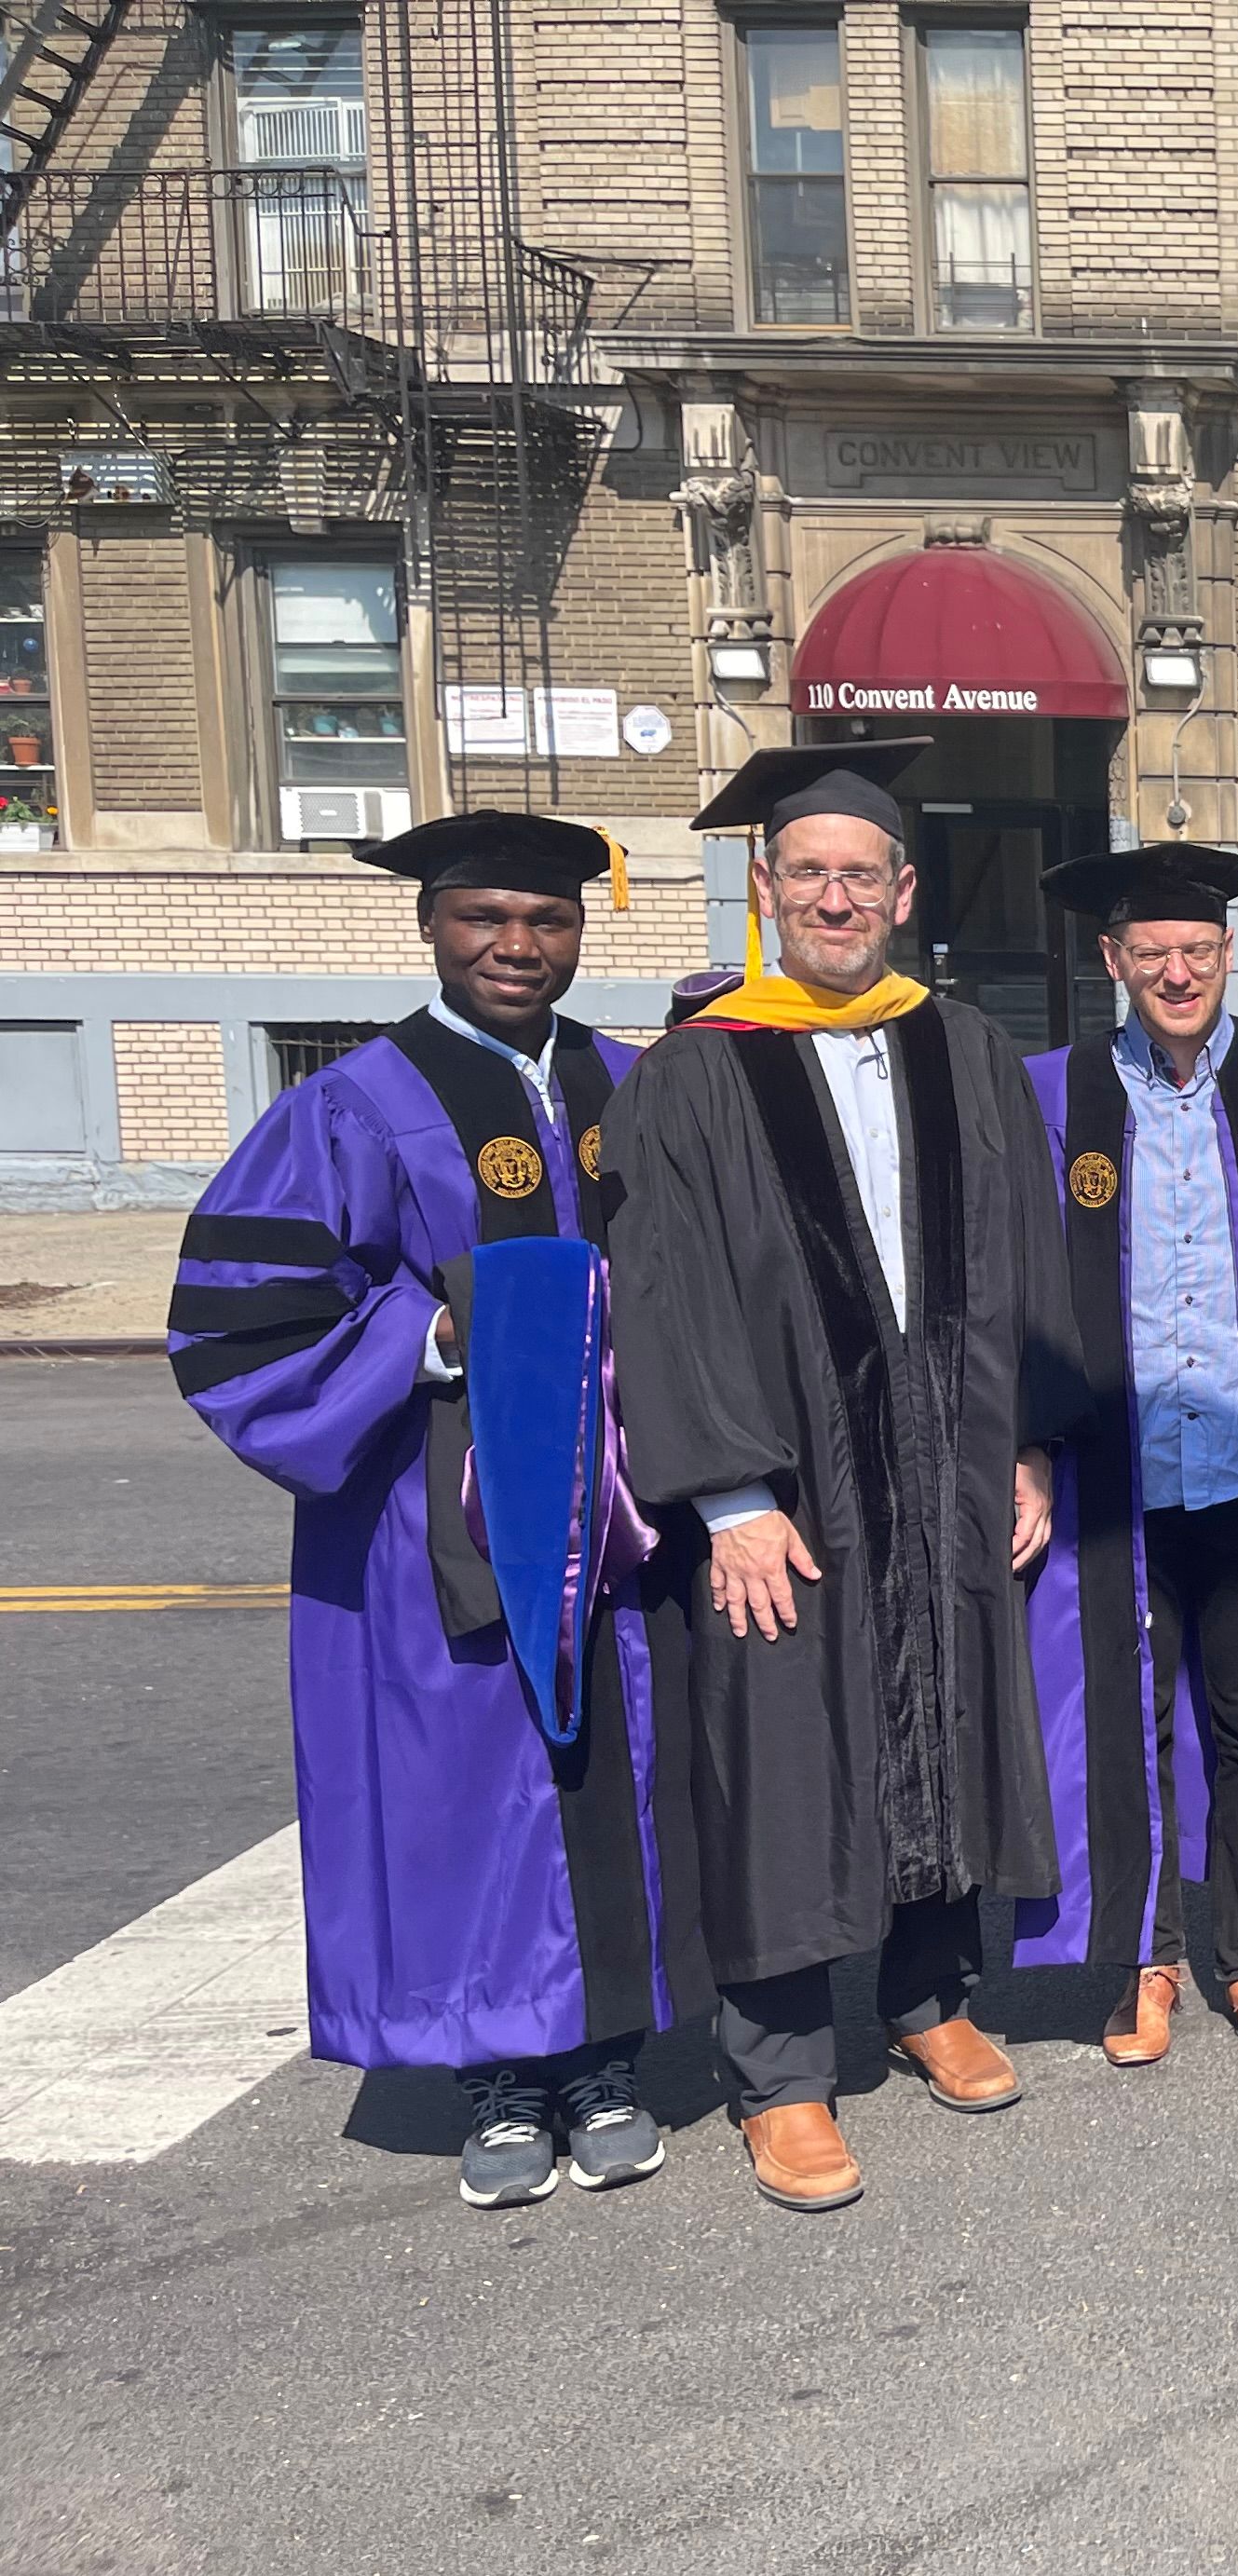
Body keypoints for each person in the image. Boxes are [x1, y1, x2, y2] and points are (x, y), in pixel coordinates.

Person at [170, 811, 706, 2209]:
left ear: (583, 933)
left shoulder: (631, 1085)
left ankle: (605, 2060)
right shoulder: (351, 1104)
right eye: (485, 918)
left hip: (621, 1516)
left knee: (612, 1774)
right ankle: (496, 2081)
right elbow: (244, 1326)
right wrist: (437, 1335)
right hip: (429, 1521)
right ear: (430, 927)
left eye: (546, 921)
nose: (517, 947)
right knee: (462, 1785)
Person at [602, 740, 1084, 2214]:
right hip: (786, 1482)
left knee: (945, 1708)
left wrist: (1035, 1441)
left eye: (859, 875)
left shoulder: (964, 1048)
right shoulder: (691, 1073)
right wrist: (729, 1499)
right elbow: (661, 1288)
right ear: (764, 888)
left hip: (946, 1457)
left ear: (903, 891)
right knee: (784, 1757)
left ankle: (930, 1997)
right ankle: (782, 2077)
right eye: (807, 872)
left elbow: (1028, 1259)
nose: (833, 897)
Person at [1021, 842, 1238, 2074]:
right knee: (1124, 1722)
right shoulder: (1048, 1092)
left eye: (1200, 948)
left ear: (1232, 951)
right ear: (1110, 960)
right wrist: (1026, 1444)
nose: (1178, 970)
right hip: (1111, 1476)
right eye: (1152, 951)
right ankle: (1141, 1961)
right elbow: (1003, 1290)